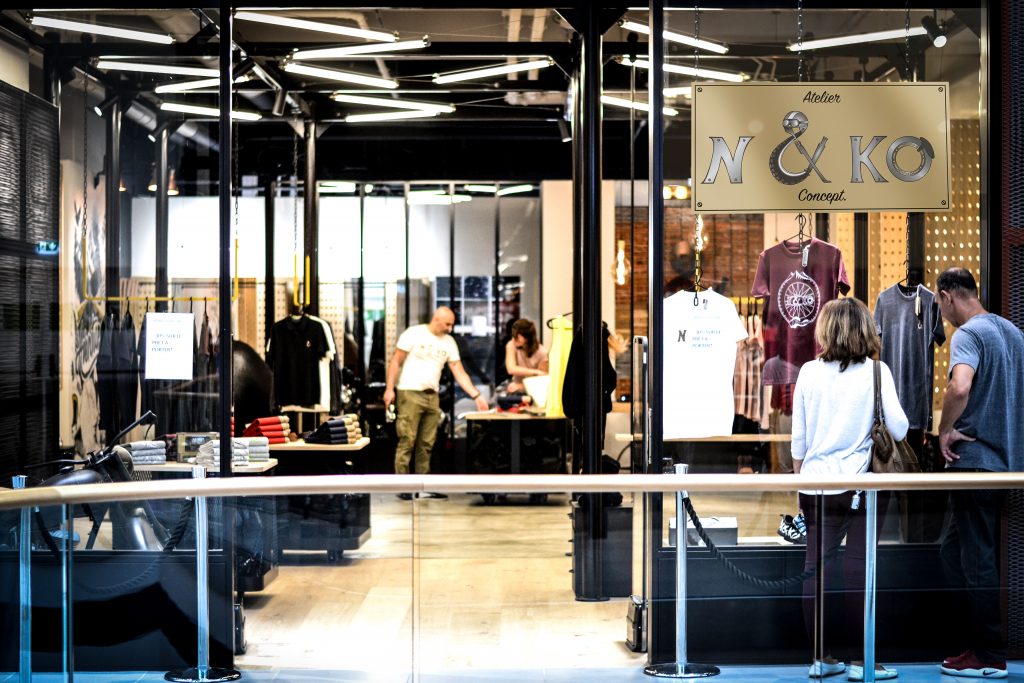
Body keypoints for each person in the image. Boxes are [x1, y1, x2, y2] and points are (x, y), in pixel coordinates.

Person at [791, 297, 907, 681]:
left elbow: (798, 442)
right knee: (859, 570)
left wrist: (801, 485)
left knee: (814, 571)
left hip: (815, 484)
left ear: (825, 331)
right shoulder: (877, 372)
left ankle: (820, 658)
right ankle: (863, 661)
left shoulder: (808, 372)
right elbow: (900, 428)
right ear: (865, 329)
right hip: (862, 487)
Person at [934, 267, 1024, 679]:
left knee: (976, 557)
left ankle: (988, 654)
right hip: (1006, 463)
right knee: (954, 551)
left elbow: (959, 387)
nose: (942, 313)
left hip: (974, 462)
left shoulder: (968, 334)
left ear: (948, 295)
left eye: (940, 304)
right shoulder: (1013, 333)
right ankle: (974, 642)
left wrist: (944, 430)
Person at [384, 307, 488, 499]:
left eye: (452, 325)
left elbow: (459, 371)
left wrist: (476, 395)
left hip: (432, 396)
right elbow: (396, 361)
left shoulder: (449, 342)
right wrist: (389, 389)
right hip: (410, 392)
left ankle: (422, 486)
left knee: (427, 442)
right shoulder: (414, 333)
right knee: (407, 439)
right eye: (447, 324)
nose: (450, 328)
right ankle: (403, 486)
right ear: (436, 318)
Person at [504, 318, 549, 394]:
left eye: (516, 336)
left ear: (525, 338)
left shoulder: (543, 353)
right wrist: (536, 372)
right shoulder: (511, 345)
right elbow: (511, 369)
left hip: (535, 391)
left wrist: (521, 386)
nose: (513, 339)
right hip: (516, 390)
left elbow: (543, 379)